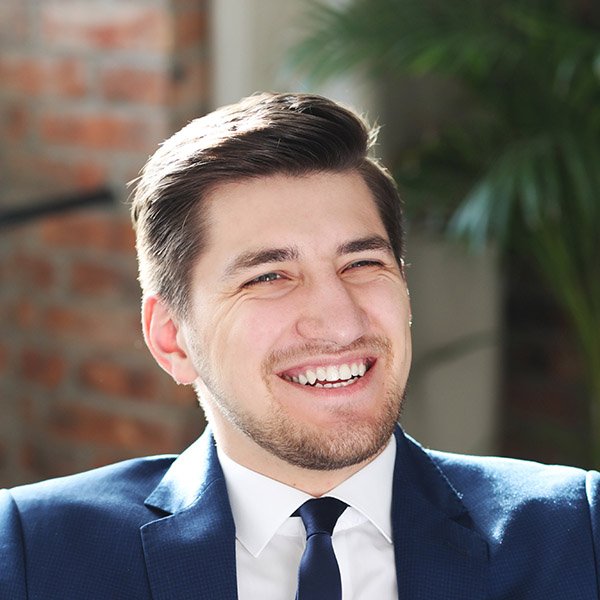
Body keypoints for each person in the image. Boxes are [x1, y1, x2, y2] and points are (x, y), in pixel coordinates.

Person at [1, 92, 598, 600]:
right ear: (171, 338)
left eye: (362, 263)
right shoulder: (35, 554)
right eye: (269, 277)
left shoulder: (577, 532)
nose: (340, 321)